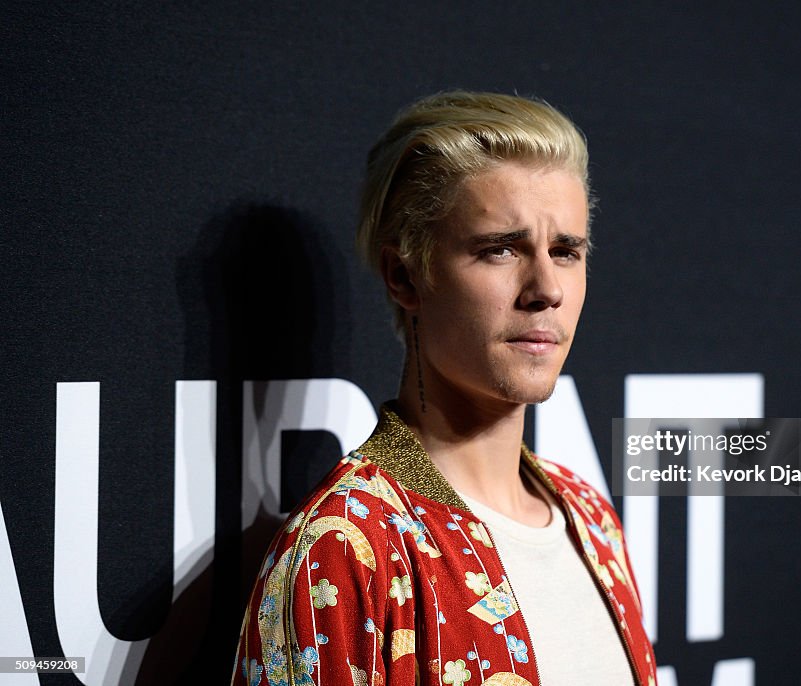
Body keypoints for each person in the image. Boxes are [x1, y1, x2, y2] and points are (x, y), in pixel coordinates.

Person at [232, 91, 657, 686]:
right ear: (406, 275)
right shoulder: (346, 551)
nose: (545, 288)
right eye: (500, 249)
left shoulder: (591, 516)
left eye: (566, 251)